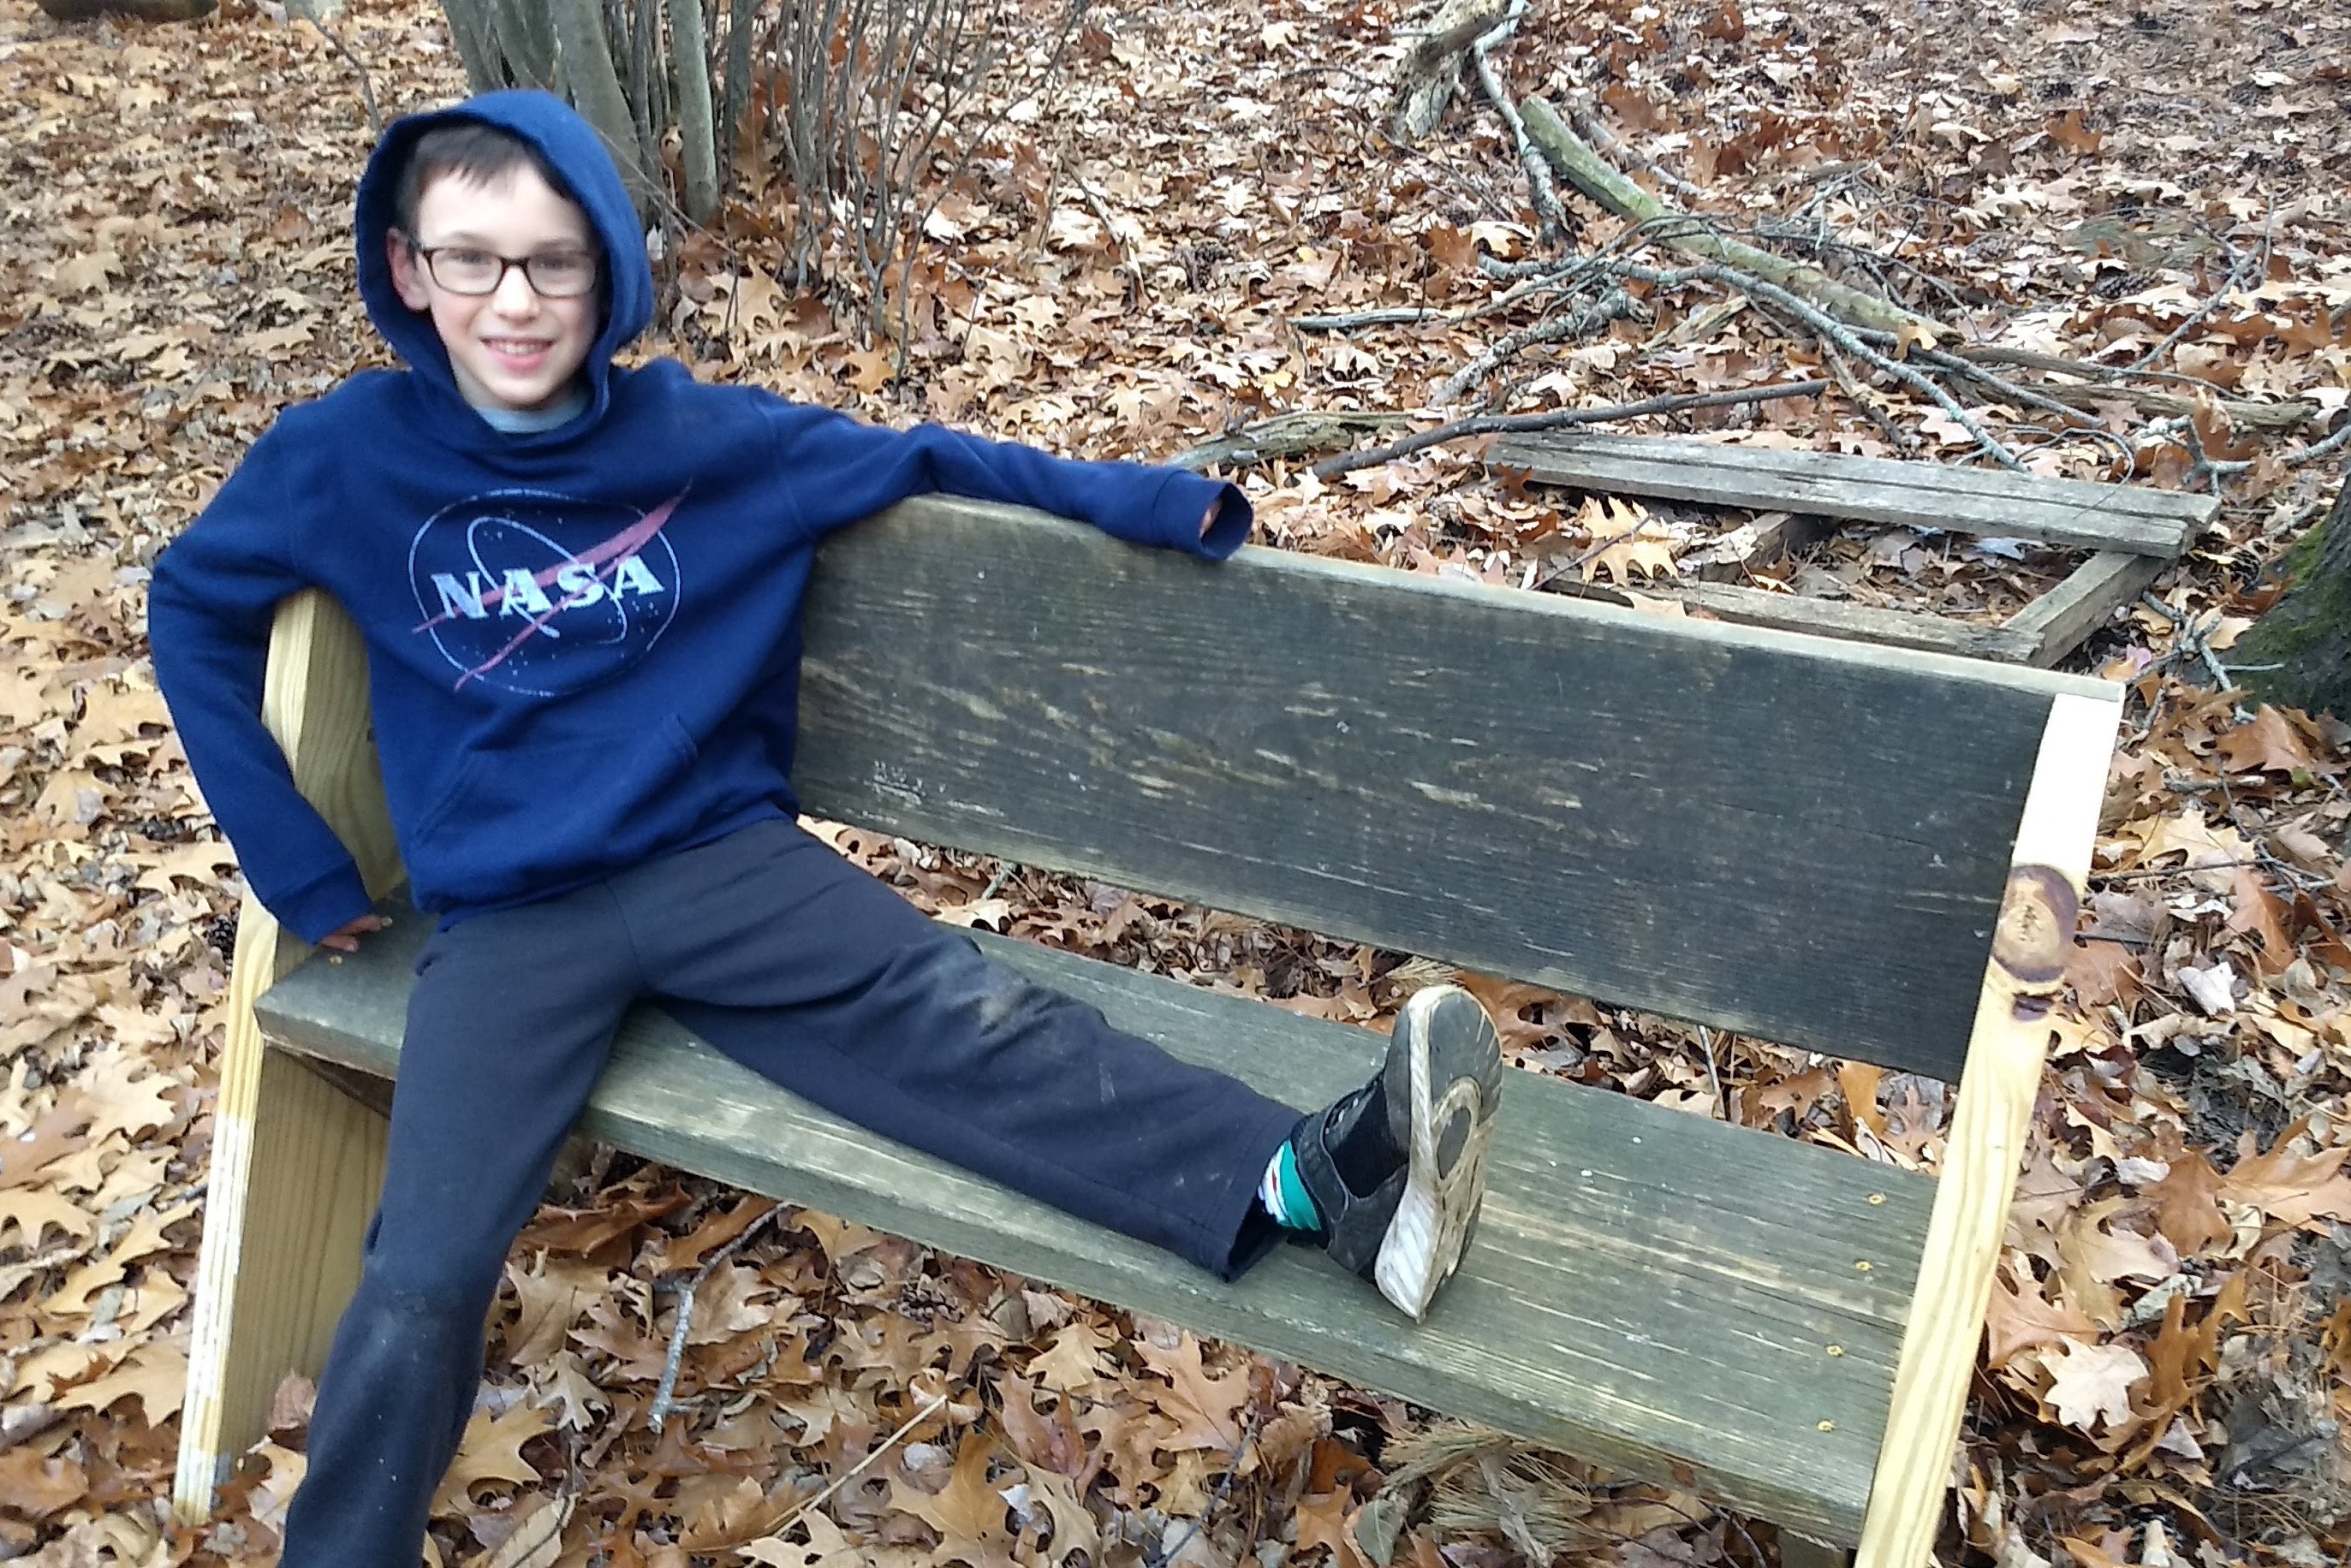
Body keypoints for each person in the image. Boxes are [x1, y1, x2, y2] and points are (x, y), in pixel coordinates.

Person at [148, 90, 1503, 1565]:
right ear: (410, 269)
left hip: (719, 869)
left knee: (977, 1019)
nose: (514, 301)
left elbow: (926, 457)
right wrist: (289, 852)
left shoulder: (707, 441)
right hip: (510, 923)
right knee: (421, 1270)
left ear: (610, 268)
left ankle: (1319, 1180)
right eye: (471, 260)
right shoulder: (343, 456)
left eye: (553, 260)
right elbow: (192, 603)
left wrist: (1148, 501)